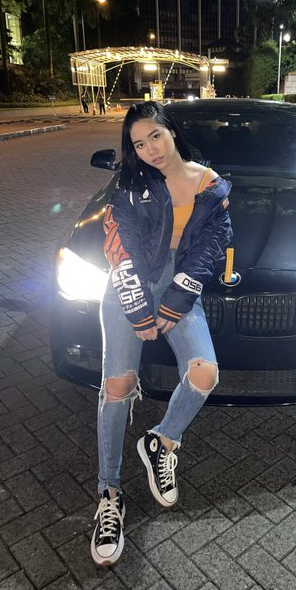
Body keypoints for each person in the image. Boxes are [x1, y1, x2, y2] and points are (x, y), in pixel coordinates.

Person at [91, 101, 232, 566]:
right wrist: (139, 309)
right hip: (129, 284)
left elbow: (211, 244)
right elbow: (119, 244)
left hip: (176, 284)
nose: (150, 149)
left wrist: (177, 298)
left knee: (205, 372)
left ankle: (162, 441)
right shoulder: (129, 185)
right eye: (138, 143)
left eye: (155, 135)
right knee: (119, 386)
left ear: (171, 131)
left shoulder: (210, 185)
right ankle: (109, 495)